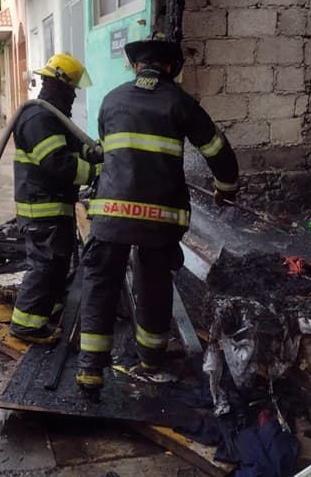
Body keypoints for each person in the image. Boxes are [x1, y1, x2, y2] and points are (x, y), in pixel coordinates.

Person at [75, 35, 240, 391]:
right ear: (170, 68)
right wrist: (227, 189)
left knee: (101, 286)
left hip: (111, 215)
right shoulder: (180, 102)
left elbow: (106, 151)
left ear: (136, 66)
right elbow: (217, 149)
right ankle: (151, 361)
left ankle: (90, 368)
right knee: (154, 287)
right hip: (158, 221)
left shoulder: (112, 99)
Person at [8, 53, 100, 344]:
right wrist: (99, 172)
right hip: (41, 207)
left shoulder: (54, 115)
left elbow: (79, 146)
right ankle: (25, 325)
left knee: (58, 262)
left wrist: (106, 151)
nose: (74, 94)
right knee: (45, 264)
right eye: (72, 88)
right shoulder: (39, 118)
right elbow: (58, 164)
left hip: (52, 206)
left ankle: (47, 314)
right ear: (58, 84)